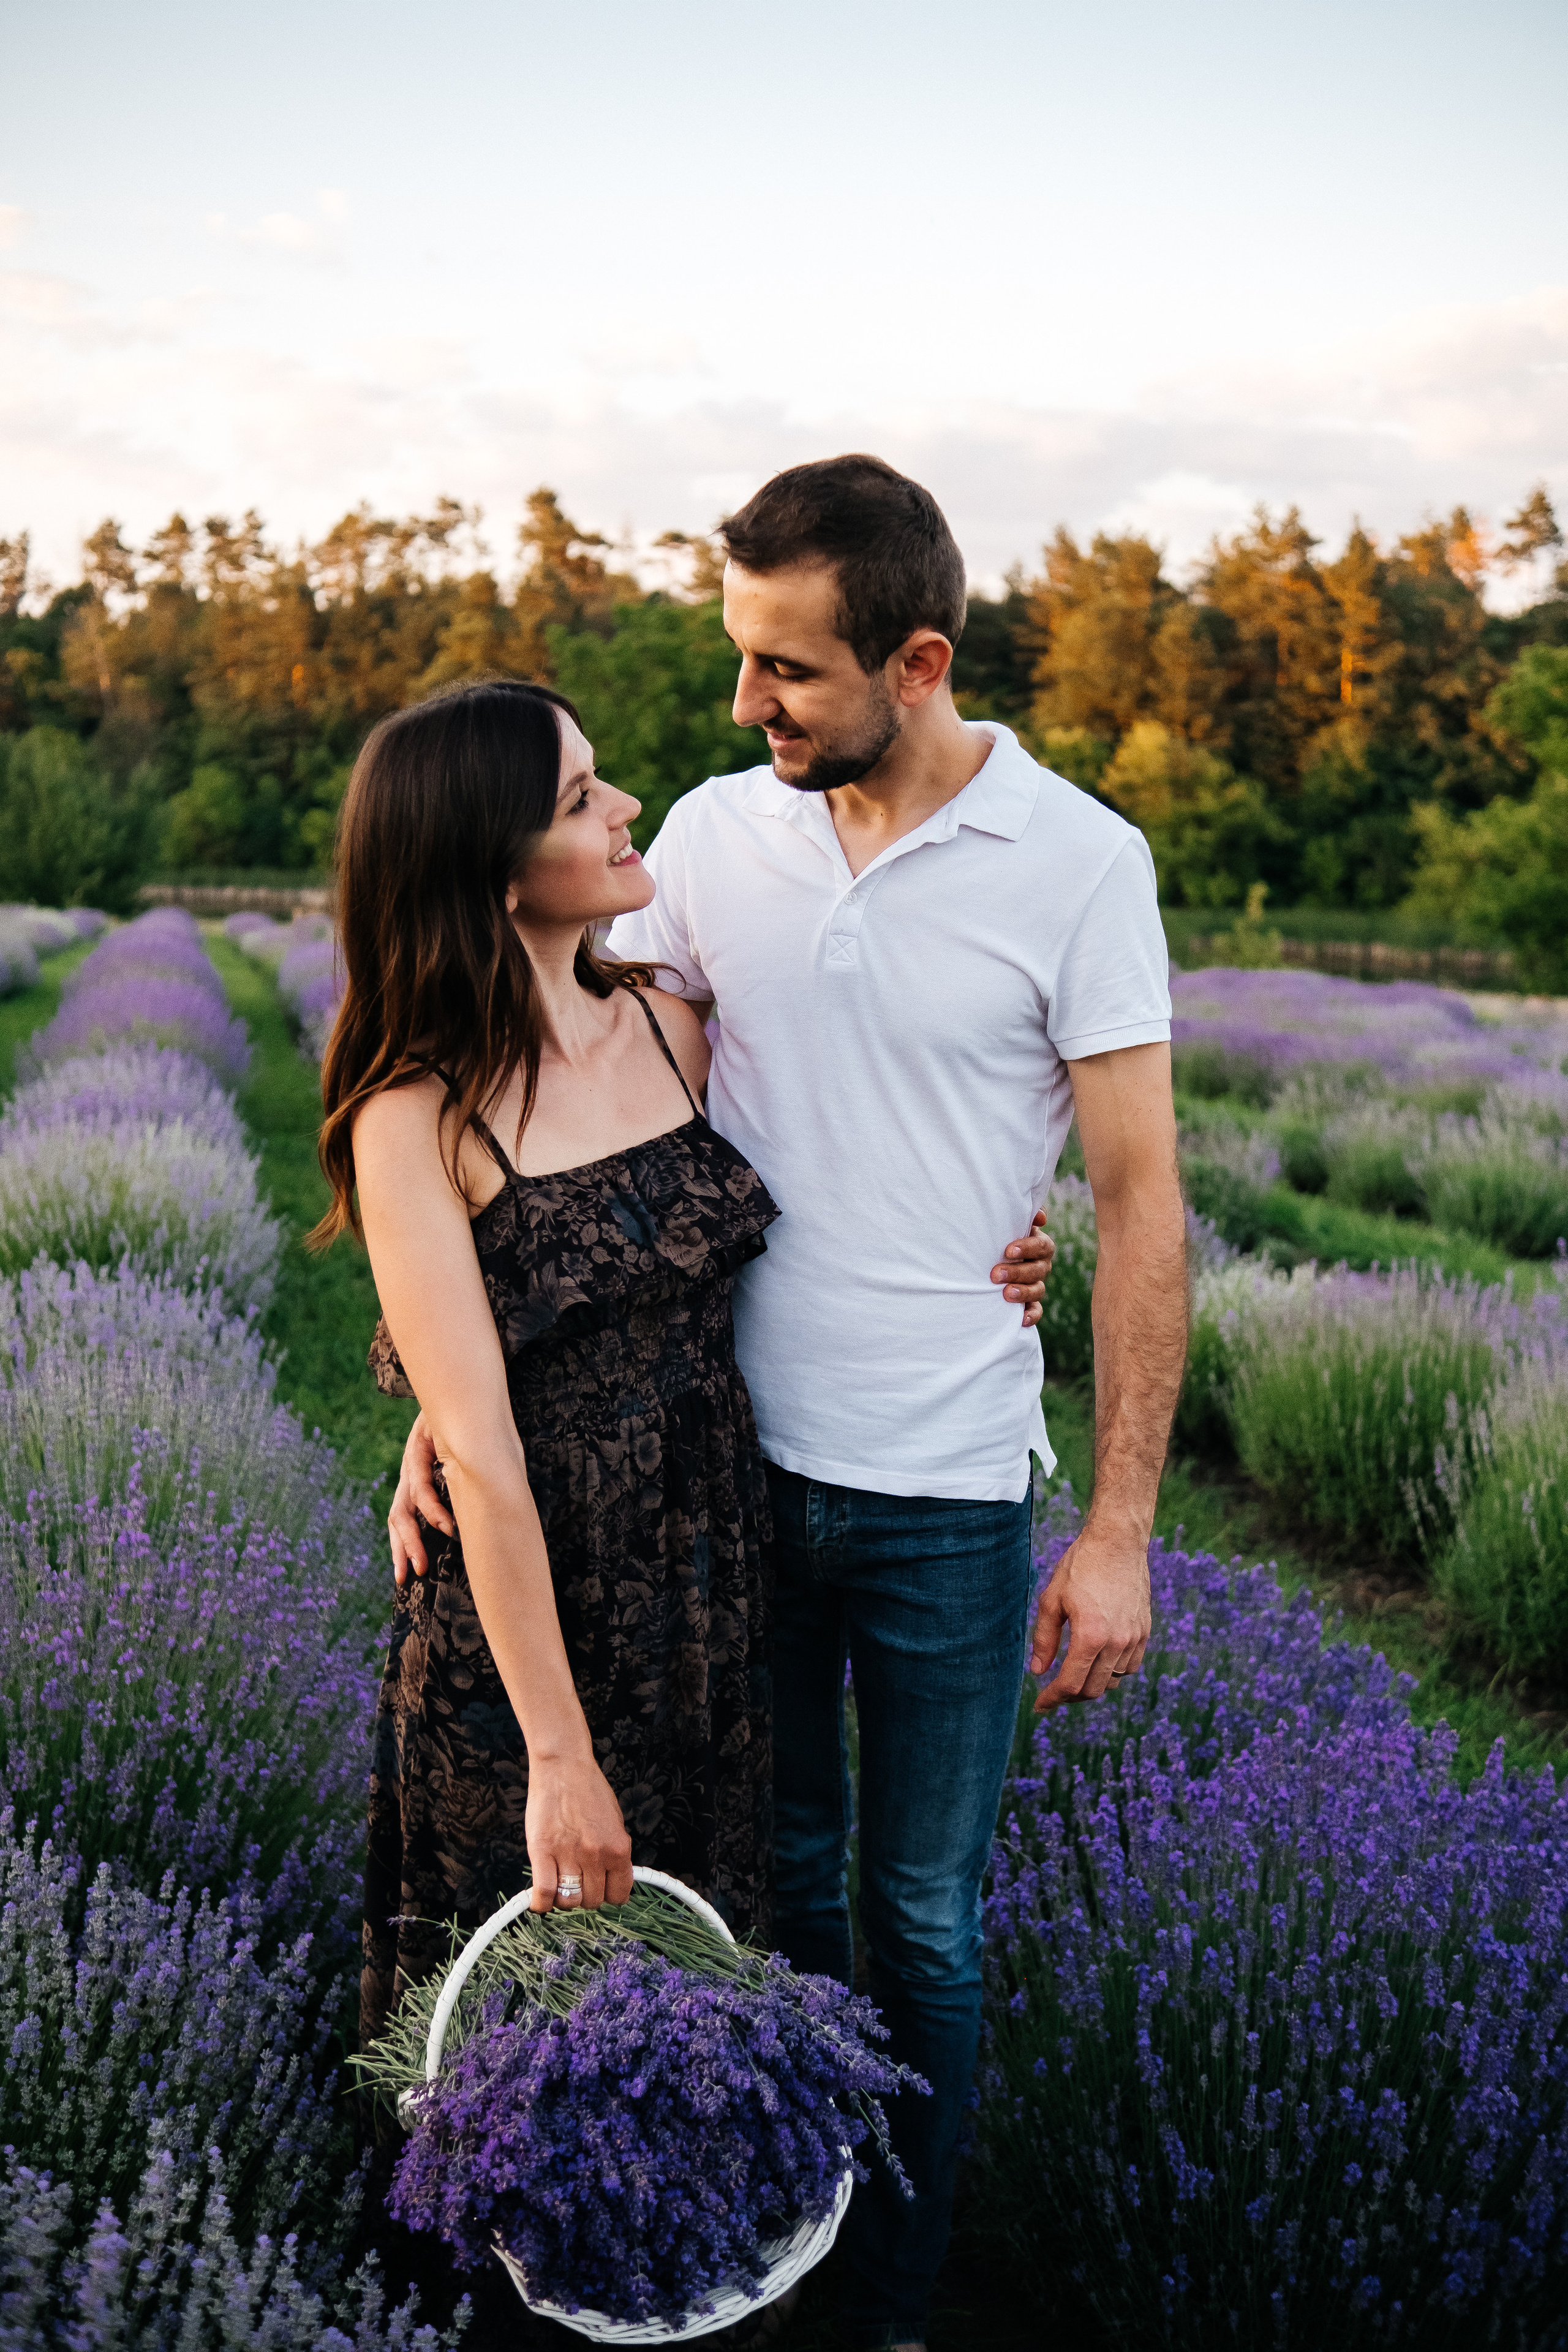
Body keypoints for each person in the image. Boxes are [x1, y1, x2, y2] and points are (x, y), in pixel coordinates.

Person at [391, 457, 1186, 2352]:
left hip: (938, 1488)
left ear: (915, 663)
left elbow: (1144, 1190)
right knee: (773, 1895)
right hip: (719, 1483)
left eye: (786, 675)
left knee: (919, 1916)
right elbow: (548, 1113)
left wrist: (1124, 1525)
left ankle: (887, 2304)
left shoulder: (1081, 863)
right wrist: (440, 1390)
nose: (744, 709)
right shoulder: (719, 846)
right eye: (739, 660)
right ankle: (772, 2252)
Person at [313, 679, 782, 2063]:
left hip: (708, 1579)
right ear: (492, 874)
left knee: (695, 1978)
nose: (626, 806)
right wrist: (559, 1756)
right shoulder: (416, 1114)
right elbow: (488, 1455)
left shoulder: (667, 1026)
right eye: (581, 800)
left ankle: (702, 2276)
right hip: (538, 1615)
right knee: (525, 2014)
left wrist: (1011, 1239)